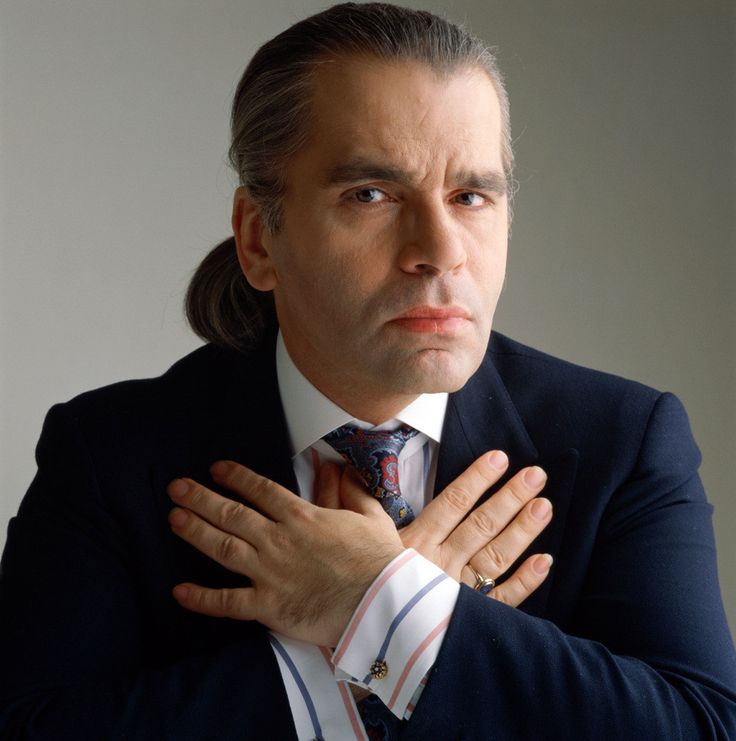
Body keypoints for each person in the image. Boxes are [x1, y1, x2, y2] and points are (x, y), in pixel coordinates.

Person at [1, 3, 734, 739]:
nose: (440, 250)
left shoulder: (625, 440)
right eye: (371, 195)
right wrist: (384, 626)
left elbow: (706, 726)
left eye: (470, 196)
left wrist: (375, 602)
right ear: (258, 239)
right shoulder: (106, 454)